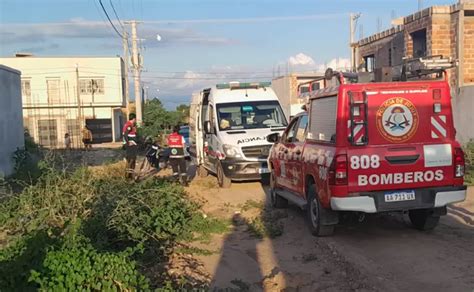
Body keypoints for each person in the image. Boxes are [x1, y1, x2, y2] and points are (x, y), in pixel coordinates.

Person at [122, 113, 138, 179]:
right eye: (135, 119)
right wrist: (128, 143)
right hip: (131, 145)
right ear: (134, 119)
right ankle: (128, 176)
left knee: (132, 160)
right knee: (131, 160)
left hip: (132, 144)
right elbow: (125, 135)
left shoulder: (131, 125)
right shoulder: (129, 125)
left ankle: (130, 175)